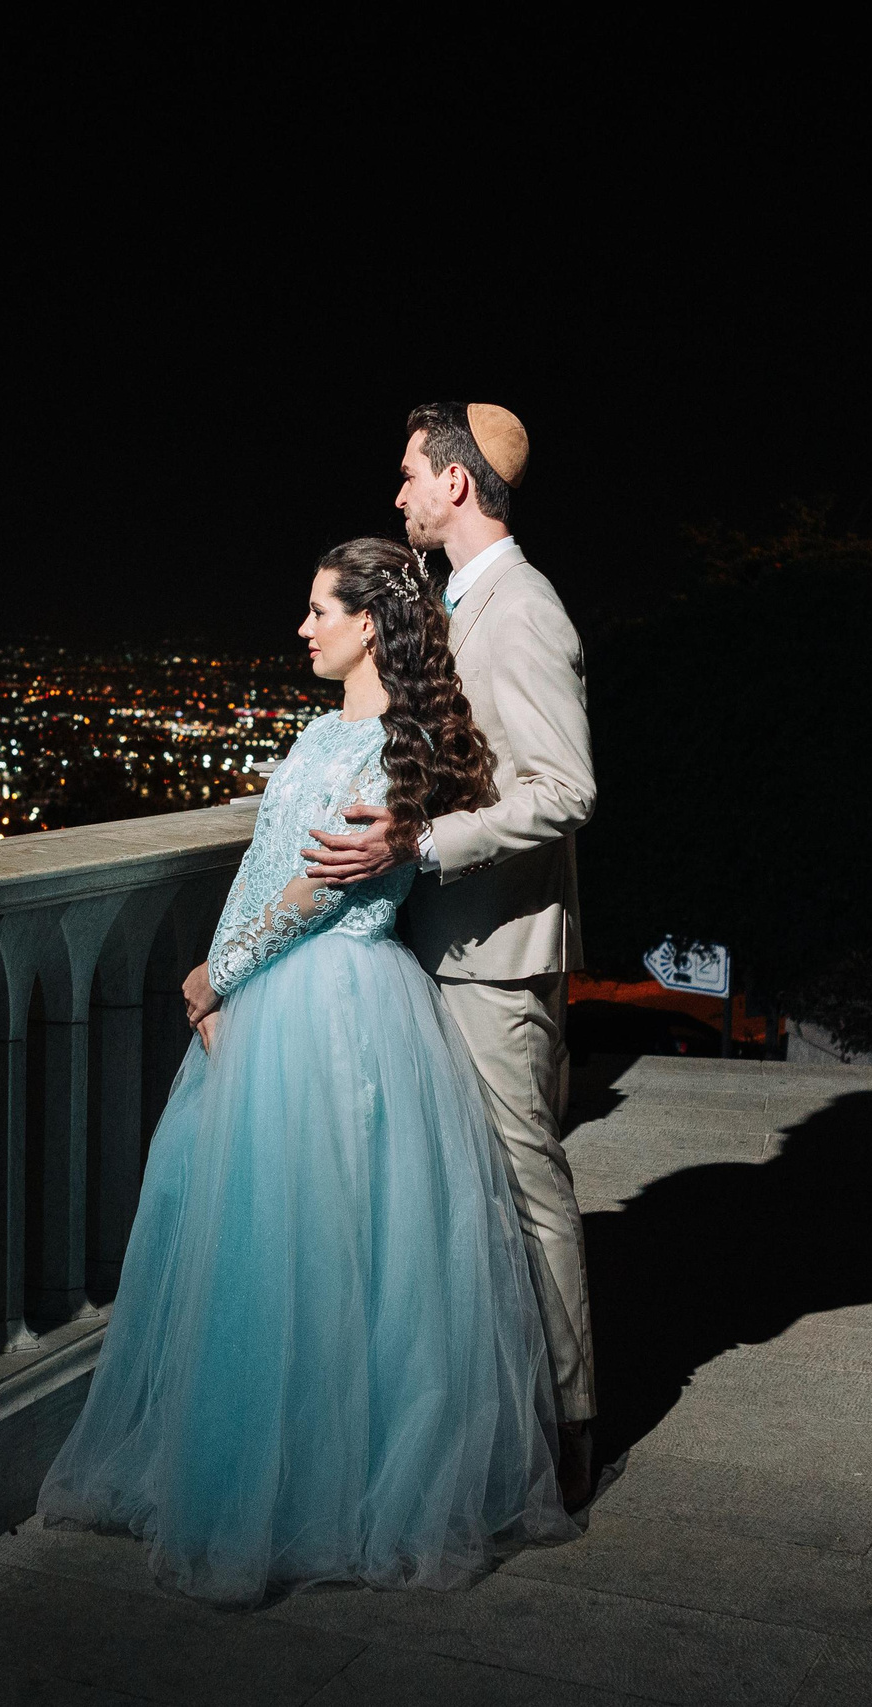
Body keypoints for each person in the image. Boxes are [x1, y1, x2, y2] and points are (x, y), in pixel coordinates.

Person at [37, 538, 576, 1607]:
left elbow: (323, 891)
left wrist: (218, 978)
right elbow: (262, 865)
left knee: (317, 1252)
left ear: (369, 624)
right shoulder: (316, 732)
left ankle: (314, 1493)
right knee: (263, 1249)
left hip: (333, 1009)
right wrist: (217, 963)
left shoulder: (393, 747)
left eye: (319, 610)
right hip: (278, 994)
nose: (303, 627)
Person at [298, 403, 600, 1506]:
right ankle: (490, 1415)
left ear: (456, 486)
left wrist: (419, 843)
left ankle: (568, 1427)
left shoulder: (518, 610)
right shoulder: (459, 603)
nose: (397, 496)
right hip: (441, 946)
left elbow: (563, 792)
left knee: (525, 1189)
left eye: (408, 476)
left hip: (495, 956)